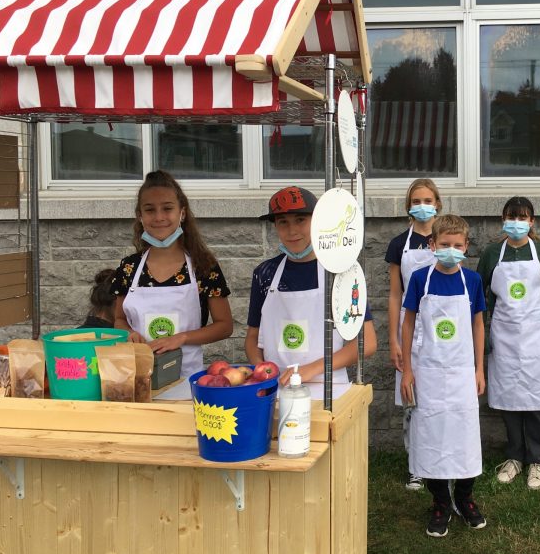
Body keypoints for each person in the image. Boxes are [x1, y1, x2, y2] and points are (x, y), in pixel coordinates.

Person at [245, 186, 377, 399]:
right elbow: (252, 338)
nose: (292, 231)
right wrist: (261, 370)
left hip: (329, 390)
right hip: (276, 390)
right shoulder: (265, 273)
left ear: (317, 221)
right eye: (283, 222)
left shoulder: (340, 272)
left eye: (300, 220)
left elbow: (367, 342)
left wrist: (311, 369)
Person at [400, 214, 486, 537]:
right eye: (445, 244)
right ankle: (440, 501)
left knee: (465, 437)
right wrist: (407, 369)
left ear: (466, 247)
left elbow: (478, 325)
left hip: (463, 372)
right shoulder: (420, 279)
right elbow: (408, 323)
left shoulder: (473, 282)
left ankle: (464, 497)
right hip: (429, 373)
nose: (451, 250)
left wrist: (479, 368)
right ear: (432, 245)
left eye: (458, 245)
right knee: (432, 437)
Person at [112, 170, 234, 400]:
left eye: (167, 208)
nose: (159, 217)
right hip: (136, 381)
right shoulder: (129, 267)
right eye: (150, 210)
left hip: (187, 384)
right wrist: (128, 333)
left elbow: (225, 325)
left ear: (182, 213)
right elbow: (118, 318)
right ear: (140, 215)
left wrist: (182, 338)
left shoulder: (203, 266)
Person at [477, 196, 540, 490]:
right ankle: (514, 457)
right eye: (511, 217)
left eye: (522, 217)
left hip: (536, 337)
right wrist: (482, 335)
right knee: (508, 399)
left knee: (537, 401)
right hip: (504, 338)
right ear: (503, 220)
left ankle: (538, 460)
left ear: (532, 221)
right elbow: (479, 294)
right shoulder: (491, 254)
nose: (516, 223)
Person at [385, 178, 441, 491]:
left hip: (440, 329)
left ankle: (439, 460)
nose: (422, 206)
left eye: (427, 200)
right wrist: (394, 339)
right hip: (408, 328)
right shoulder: (398, 244)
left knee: (437, 395)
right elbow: (395, 294)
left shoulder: (446, 241)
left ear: (438, 204)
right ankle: (415, 463)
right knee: (411, 398)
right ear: (409, 205)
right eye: (416, 200)